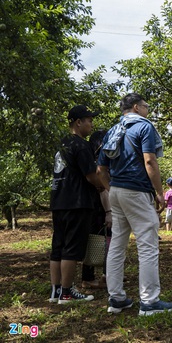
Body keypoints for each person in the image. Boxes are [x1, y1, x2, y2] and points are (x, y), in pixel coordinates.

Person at [97, 93, 172, 315]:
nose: (148, 110)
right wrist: (159, 193)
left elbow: (100, 170)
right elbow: (149, 160)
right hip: (136, 191)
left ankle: (116, 298)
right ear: (136, 107)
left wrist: (112, 189)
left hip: (116, 192)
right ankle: (150, 302)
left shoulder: (113, 131)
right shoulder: (144, 127)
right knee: (148, 244)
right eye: (146, 106)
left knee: (117, 244)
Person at [49, 105, 102, 304]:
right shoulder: (81, 145)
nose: (91, 124)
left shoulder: (61, 144)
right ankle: (67, 292)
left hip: (59, 201)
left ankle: (56, 291)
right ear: (78, 122)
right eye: (89, 120)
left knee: (58, 247)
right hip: (77, 202)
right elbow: (91, 176)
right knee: (71, 248)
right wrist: (103, 186)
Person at [81, 129, 111, 289]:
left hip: (95, 207)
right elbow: (102, 189)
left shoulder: (92, 160)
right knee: (99, 240)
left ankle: (106, 275)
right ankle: (89, 277)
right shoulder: (97, 163)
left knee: (102, 240)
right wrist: (109, 212)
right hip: (97, 208)